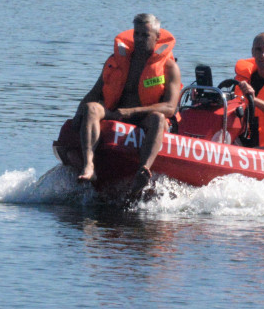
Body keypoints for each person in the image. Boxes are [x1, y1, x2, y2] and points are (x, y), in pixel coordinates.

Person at [73, 13, 182, 194]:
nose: (139, 39)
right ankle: (89, 165)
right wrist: (78, 115)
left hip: (145, 119)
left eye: (145, 35)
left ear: (157, 37)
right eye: (136, 34)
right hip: (116, 113)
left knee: (158, 118)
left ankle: (143, 170)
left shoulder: (169, 67)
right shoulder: (117, 60)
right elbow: (95, 92)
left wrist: (132, 111)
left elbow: (170, 108)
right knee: (91, 108)